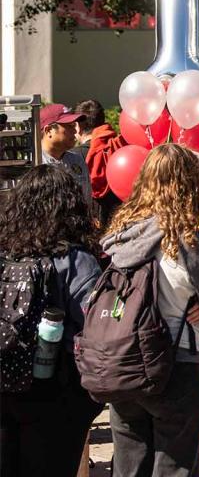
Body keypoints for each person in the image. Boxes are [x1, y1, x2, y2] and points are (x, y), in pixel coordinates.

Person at [101, 143, 199, 477]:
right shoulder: (188, 239)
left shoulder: (120, 237)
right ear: (189, 184)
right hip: (177, 362)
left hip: (124, 363)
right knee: (175, 467)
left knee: (129, 466)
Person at [0, 166, 103, 477]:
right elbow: (92, 328)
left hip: (5, 378)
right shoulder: (76, 260)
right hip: (54, 388)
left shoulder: (5, 253)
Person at [39, 103, 91, 203]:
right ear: (49, 130)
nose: (75, 131)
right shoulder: (34, 163)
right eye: (69, 126)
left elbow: (87, 202)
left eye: (74, 125)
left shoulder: (77, 161)